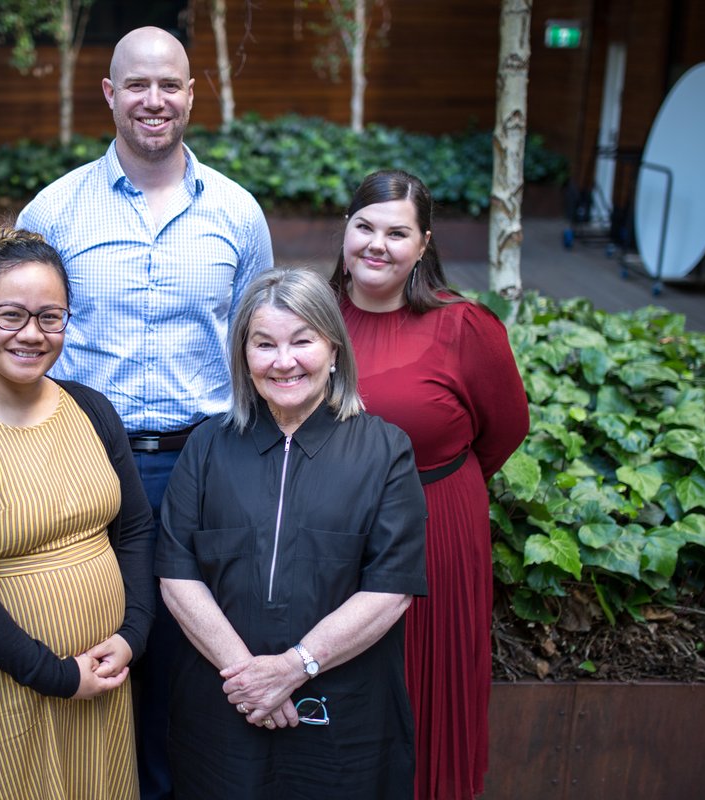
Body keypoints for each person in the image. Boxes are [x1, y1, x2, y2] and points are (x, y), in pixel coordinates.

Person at [16, 26, 274, 798]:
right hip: (91, 461)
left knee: (193, 661)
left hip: (209, 463)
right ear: (110, 95)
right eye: (137, 85)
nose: (153, 100)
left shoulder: (237, 212)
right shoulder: (56, 210)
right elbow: (11, 337)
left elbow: (259, 342)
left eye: (169, 85)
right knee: (97, 642)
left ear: (193, 95)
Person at [0, 226, 155, 799]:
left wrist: (133, 634)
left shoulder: (92, 409)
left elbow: (136, 530)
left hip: (104, 683)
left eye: (50, 317)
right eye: (11, 315)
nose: (31, 335)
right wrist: (58, 676)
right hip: (8, 690)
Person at [156, 268, 428, 798]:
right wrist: (252, 679)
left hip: (345, 718)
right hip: (224, 707)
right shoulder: (206, 446)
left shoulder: (385, 450)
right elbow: (177, 577)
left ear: (333, 350)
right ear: (243, 355)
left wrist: (294, 667)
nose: (284, 361)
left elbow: (390, 589)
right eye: (265, 344)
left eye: (302, 341)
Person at [330, 169, 530, 800]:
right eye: (364, 227)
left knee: (424, 687)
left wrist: (431, 489)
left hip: (434, 524)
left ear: (423, 244)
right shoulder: (314, 317)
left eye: (397, 232)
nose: (377, 245)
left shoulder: (464, 326)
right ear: (346, 231)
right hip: (332, 527)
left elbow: (504, 430)